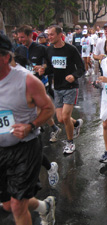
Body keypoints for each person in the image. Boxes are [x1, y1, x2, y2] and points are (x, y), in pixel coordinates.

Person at [0, 34, 56, 225]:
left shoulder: (27, 81)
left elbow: (49, 108)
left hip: (25, 147)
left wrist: (30, 126)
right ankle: (44, 207)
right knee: (7, 204)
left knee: (17, 206)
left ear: (6, 57)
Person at [39, 25, 85, 154]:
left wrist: (73, 76)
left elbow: (81, 68)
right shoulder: (49, 50)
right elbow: (51, 68)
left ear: (60, 35)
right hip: (57, 87)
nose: (49, 37)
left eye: (52, 34)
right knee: (60, 119)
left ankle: (70, 143)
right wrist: (43, 70)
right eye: (48, 35)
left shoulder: (71, 49)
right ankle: (75, 124)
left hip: (70, 87)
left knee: (65, 116)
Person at [15, 25, 60, 142]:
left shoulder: (40, 48)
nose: (20, 40)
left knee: (39, 108)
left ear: (30, 35)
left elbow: (50, 63)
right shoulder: (19, 50)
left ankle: (39, 130)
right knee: (33, 108)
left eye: (23, 37)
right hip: (25, 83)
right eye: (19, 38)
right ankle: (53, 127)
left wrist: (43, 67)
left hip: (40, 81)